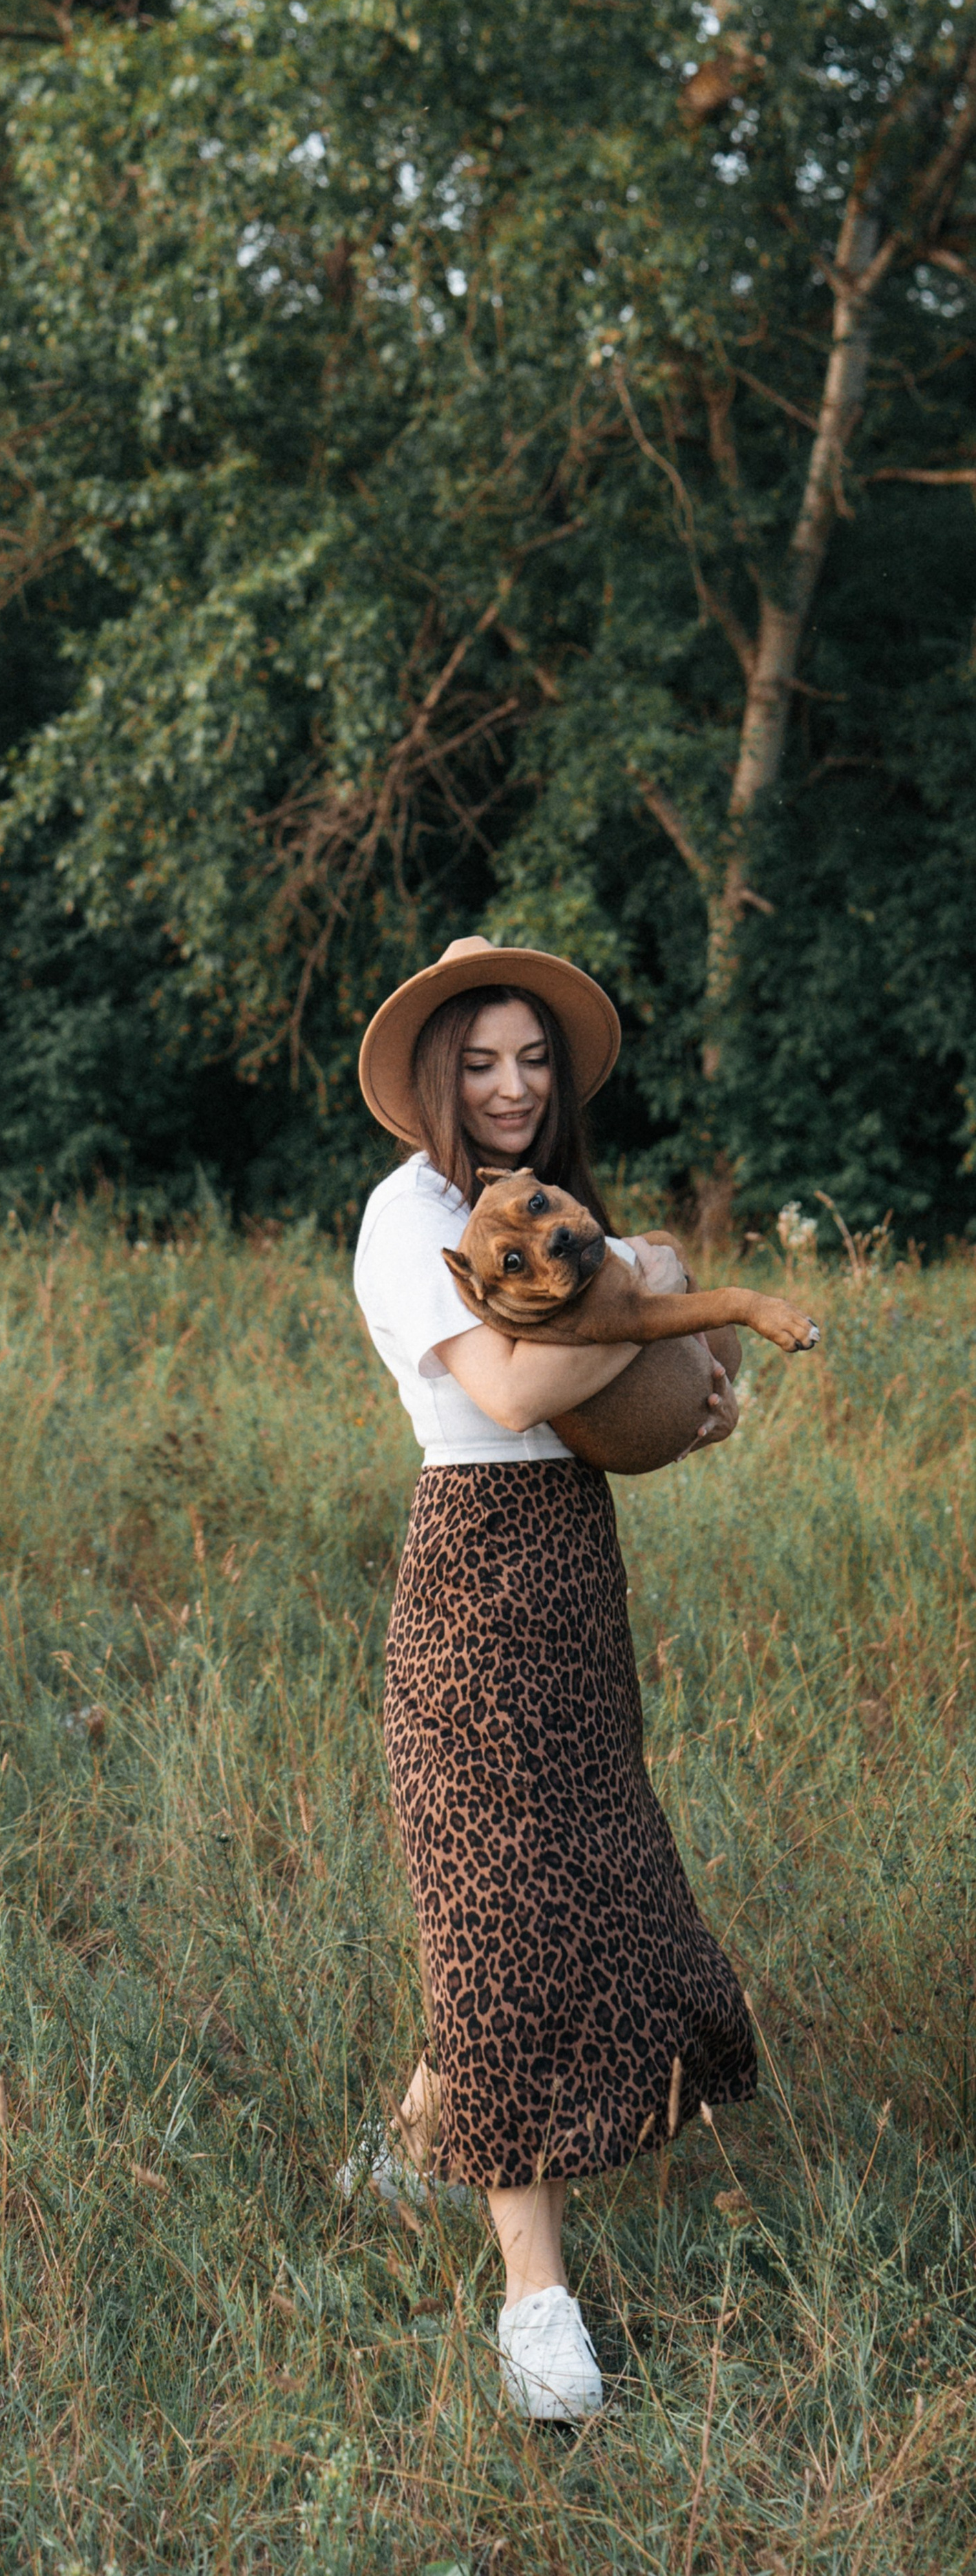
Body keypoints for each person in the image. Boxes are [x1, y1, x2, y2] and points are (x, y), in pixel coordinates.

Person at [350, 936, 758, 2422]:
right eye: (479, 1062)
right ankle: (535, 2312)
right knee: (497, 1921)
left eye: (531, 1059)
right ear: (428, 1080)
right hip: (465, 1580)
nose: (512, 1085)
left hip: (569, 1573)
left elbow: (594, 1415)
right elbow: (515, 1390)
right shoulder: (408, 1219)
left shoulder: (538, 1210)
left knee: (568, 1888)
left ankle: (404, 2155)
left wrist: (683, 1403)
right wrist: (647, 1278)